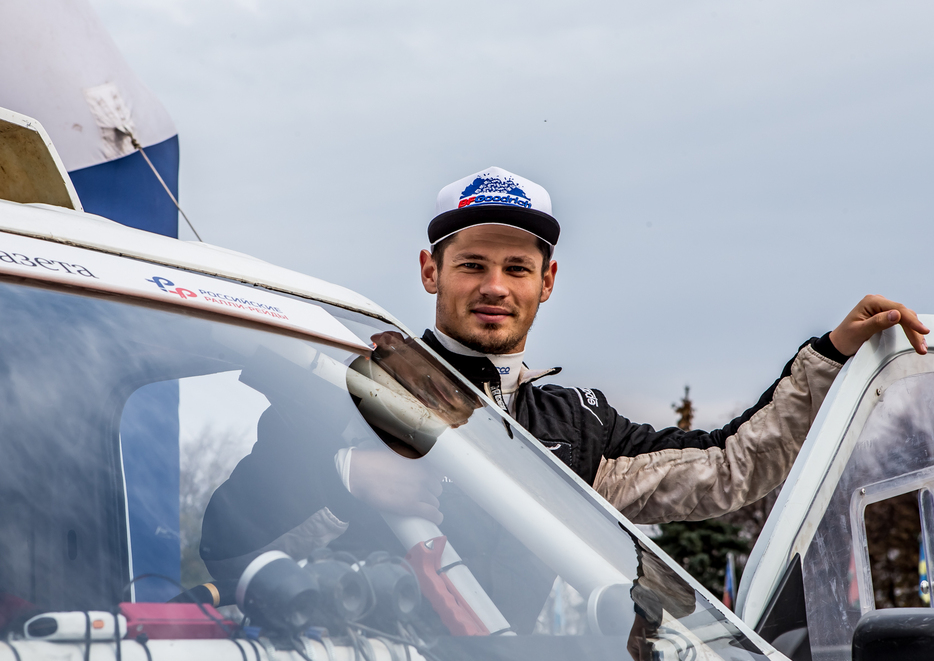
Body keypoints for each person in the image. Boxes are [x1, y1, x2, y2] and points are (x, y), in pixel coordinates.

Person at [344, 165, 929, 527]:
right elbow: (281, 523)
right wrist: (343, 476)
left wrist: (832, 354)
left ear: (547, 282)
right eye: (472, 264)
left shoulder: (579, 426)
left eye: (517, 268)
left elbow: (730, 466)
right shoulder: (358, 380)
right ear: (431, 271)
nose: (495, 287)